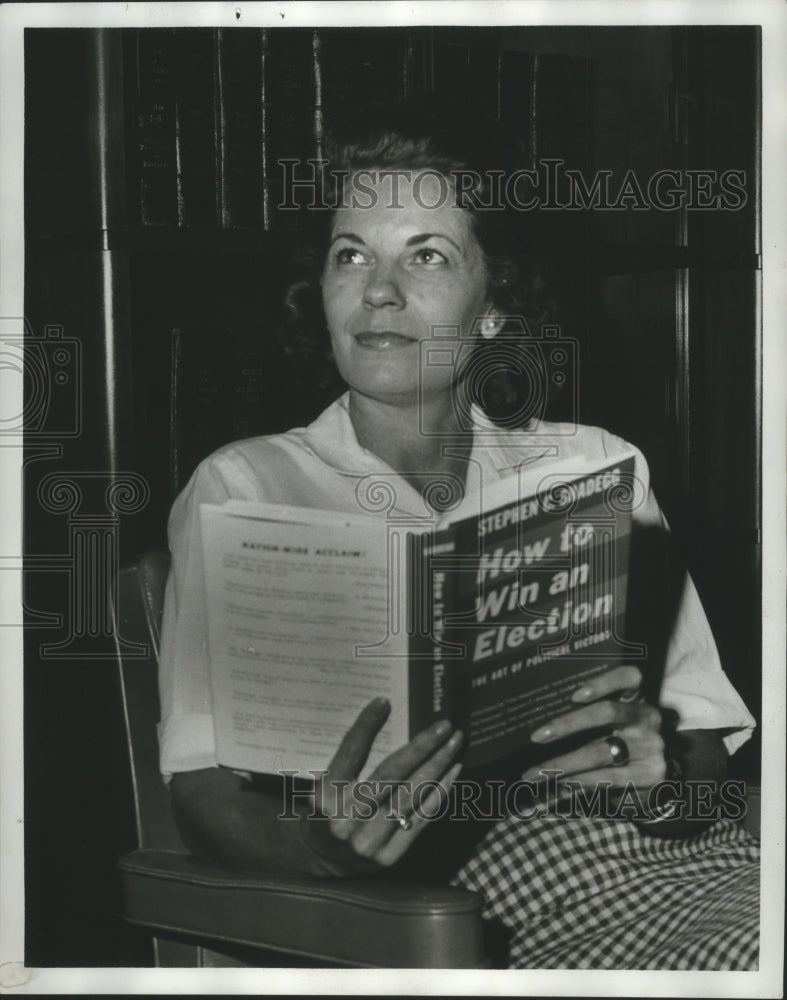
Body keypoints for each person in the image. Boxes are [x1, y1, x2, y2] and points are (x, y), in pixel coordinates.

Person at [158, 100, 760, 969]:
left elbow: (702, 746)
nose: (378, 291)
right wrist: (323, 852)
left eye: (427, 255)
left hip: (682, 867)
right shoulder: (245, 485)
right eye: (350, 254)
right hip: (455, 913)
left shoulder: (590, 468)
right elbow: (200, 789)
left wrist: (661, 779)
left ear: (491, 310)